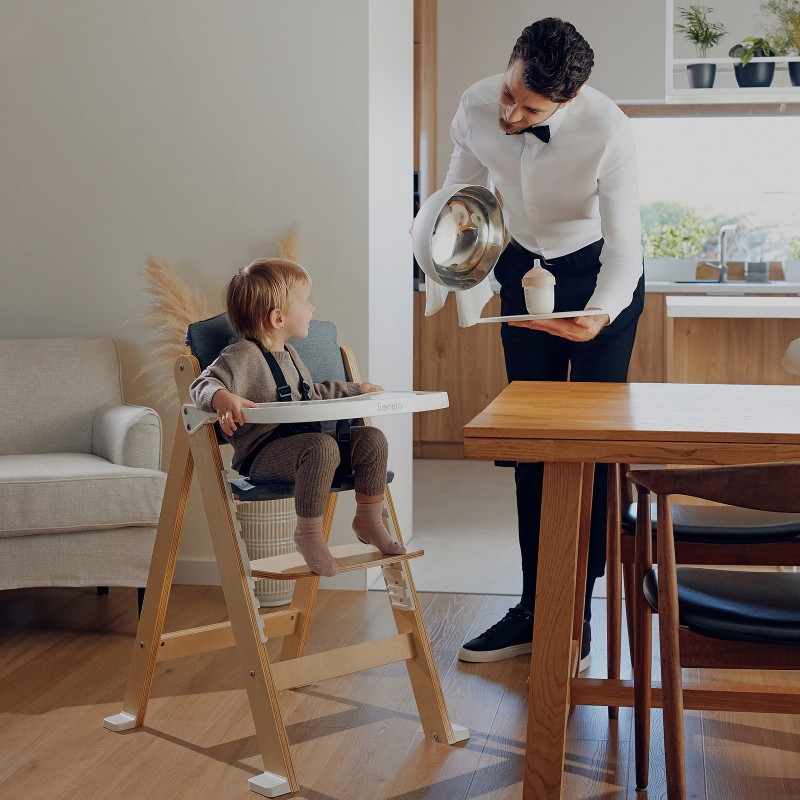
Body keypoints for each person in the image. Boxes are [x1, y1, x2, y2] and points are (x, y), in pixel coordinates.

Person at [442, 18, 645, 665]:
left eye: (528, 109)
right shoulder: (477, 105)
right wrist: (454, 279)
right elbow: (461, 196)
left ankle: (577, 610)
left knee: (589, 442)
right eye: (509, 93)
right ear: (510, 66)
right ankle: (536, 606)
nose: (509, 112)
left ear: (568, 99)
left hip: (596, 275)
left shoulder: (608, 129)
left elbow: (626, 248)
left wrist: (602, 313)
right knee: (531, 441)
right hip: (521, 266)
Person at [190, 258, 405, 577]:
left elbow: (312, 394)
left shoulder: (290, 355)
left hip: (307, 449)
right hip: (265, 457)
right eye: (306, 302)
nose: (313, 308)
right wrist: (222, 397)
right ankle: (308, 535)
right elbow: (202, 384)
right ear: (278, 318)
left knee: (372, 440)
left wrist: (355, 389)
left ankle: (369, 519)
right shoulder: (241, 356)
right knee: (321, 447)